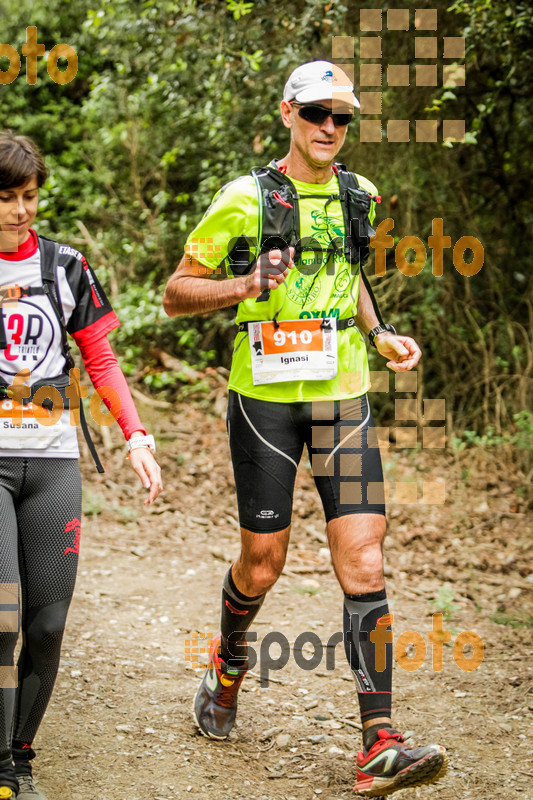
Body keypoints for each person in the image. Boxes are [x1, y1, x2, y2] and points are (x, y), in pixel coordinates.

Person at [163, 61, 446, 797]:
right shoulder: (243, 198)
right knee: (261, 563)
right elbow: (175, 293)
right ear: (288, 112)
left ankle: (378, 741)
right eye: (317, 112)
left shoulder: (359, 195)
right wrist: (243, 284)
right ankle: (227, 666)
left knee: (364, 561)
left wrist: (379, 333)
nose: (329, 127)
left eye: (342, 117)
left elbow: (348, 273)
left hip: (341, 399)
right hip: (265, 401)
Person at [0, 131, 163, 799]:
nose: (20, 210)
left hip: (52, 460)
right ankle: (2, 771)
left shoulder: (67, 267)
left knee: (46, 622)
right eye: (7, 198)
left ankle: (20, 754)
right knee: (3, 614)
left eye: (29, 196)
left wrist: (136, 435)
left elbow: (100, 359)